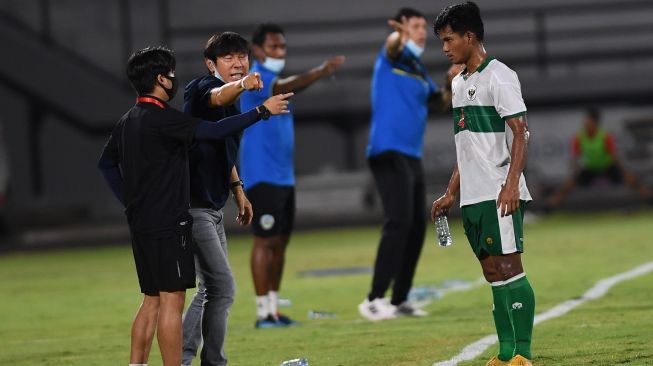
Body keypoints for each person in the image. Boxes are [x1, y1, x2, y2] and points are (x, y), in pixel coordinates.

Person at [97, 46, 291, 366]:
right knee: (173, 302)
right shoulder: (164, 119)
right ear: (161, 79)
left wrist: (128, 202)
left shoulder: (128, 120)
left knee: (151, 301)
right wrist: (261, 111)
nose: (174, 80)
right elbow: (215, 131)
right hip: (170, 223)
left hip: (141, 224)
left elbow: (106, 164)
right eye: (171, 74)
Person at [431, 3, 536, 366]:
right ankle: (505, 353)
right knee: (492, 274)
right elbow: (468, 145)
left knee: (511, 269)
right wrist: (451, 191)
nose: (445, 48)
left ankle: (523, 353)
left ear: (469, 37)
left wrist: (510, 185)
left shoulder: (500, 76)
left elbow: (521, 133)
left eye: (449, 40)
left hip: (497, 191)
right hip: (472, 196)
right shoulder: (459, 82)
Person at [180, 32, 293, 366]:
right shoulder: (200, 88)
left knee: (209, 289)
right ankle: (202, 361)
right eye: (227, 57)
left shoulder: (235, 96)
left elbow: (222, 148)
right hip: (193, 204)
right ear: (210, 64)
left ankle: (186, 360)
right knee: (223, 287)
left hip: (212, 205)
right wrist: (252, 96)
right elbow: (217, 96)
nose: (237, 62)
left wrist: (238, 190)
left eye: (241, 56)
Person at [239, 22, 345, 328]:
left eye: (283, 46)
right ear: (257, 50)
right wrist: (320, 72)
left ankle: (273, 309)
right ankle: (262, 313)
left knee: (281, 242)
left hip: (283, 176)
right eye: (273, 47)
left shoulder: (270, 76)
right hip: (262, 175)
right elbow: (285, 86)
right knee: (264, 241)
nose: (279, 52)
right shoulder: (255, 79)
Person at [358, 7, 453, 322]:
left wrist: (451, 85)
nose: (422, 32)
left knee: (414, 228)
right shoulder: (393, 55)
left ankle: (399, 300)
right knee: (398, 222)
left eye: (423, 27)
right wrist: (398, 33)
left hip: (410, 154)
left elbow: (437, 102)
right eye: (415, 26)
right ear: (403, 29)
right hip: (387, 151)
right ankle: (373, 299)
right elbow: (391, 45)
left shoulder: (415, 67)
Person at [546, 108, 652, 209]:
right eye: (585, 120)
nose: (585, 123)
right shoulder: (579, 137)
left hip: (608, 166)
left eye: (588, 121)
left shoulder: (605, 135)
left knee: (632, 180)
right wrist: (573, 171)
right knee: (567, 185)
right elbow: (575, 157)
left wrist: (625, 173)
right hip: (590, 168)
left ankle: (649, 199)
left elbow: (614, 156)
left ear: (594, 122)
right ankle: (549, 207)